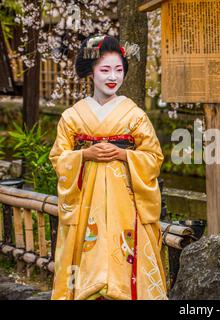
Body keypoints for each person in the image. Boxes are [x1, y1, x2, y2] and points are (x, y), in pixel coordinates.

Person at [49, 35, 167, 300]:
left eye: (118, 69)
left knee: (126, 259)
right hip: (85, 203)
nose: (112, 76)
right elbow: (59, 158)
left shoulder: (135, 114)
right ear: (92, 72)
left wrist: (124, 155)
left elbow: (154, 157)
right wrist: (85, 154)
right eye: (105, 70)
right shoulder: (72, 116)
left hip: (125, 202)